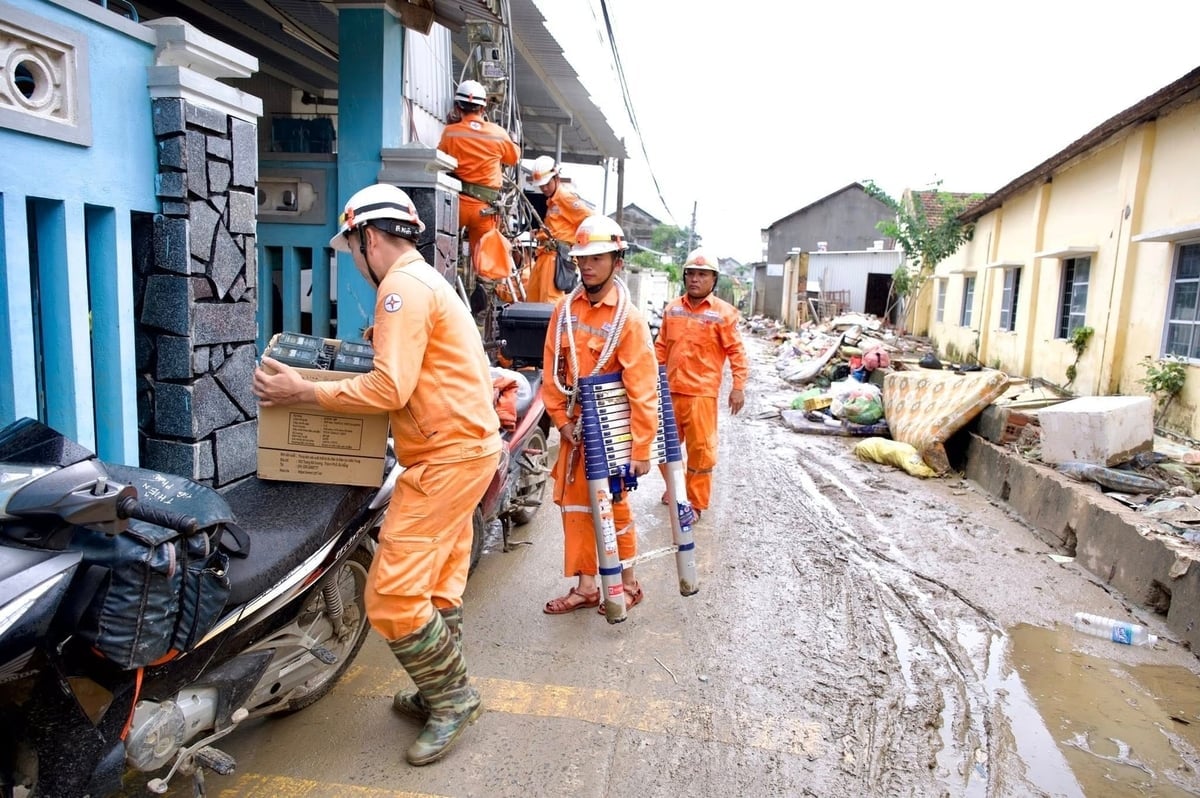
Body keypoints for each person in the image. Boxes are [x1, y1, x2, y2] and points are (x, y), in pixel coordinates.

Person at [252, 184, 501, 767]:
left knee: (390, 594)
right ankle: (437, 686)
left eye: (352, 248)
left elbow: (391, 388)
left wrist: (302, 389)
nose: (354, 264)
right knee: (438, 580)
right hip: (465, 449)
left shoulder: (400, 291)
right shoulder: (427, 282)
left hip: (445, 457)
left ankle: (455, 698)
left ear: (367, 237)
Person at [541, 216, 659, 615]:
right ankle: (586, 586)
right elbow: (552, 373)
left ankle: (628, 583)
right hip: (576, 430)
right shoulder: (564, 311)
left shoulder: (629, 319)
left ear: (617, 261)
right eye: (582, 259)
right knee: (574, 508)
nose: (587, 266)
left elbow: (643, 389)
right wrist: (561, 421)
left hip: (611, 431)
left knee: (613, 508)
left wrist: (640, 449)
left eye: (597, 258)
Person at [654, 246, 749, 520]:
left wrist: (738, 386)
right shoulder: (672, 310)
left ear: (713, 280)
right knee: (663, 448)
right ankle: (675, 488)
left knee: (701, 454)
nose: (695, 279)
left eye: (702, 275)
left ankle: (694, 504)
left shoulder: (724, 313)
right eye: (691, 274)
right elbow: (660, 348)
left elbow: (737, 352)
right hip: (669, 391)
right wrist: (650, 380)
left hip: (701, 395)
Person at [438, 79, 520, 257]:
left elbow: (440, 160)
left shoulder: (450, 132)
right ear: (483, 109)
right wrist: (513, 140)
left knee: (443, 251)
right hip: (485, 209)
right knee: (484, 258)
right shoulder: (498, 133)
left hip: (457, 205)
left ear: (458, 107)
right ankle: (483, 283)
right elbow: (513, 159)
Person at [525, 155, 594, 304]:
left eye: (546, 184)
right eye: (541, 185)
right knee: (533, 300)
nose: (543, 188)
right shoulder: (552, 201)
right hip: (545, 255)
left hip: (555, 258)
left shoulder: (565, 197)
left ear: (556, 178)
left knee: (550, 303)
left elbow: (590, 218)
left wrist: (579, 247)